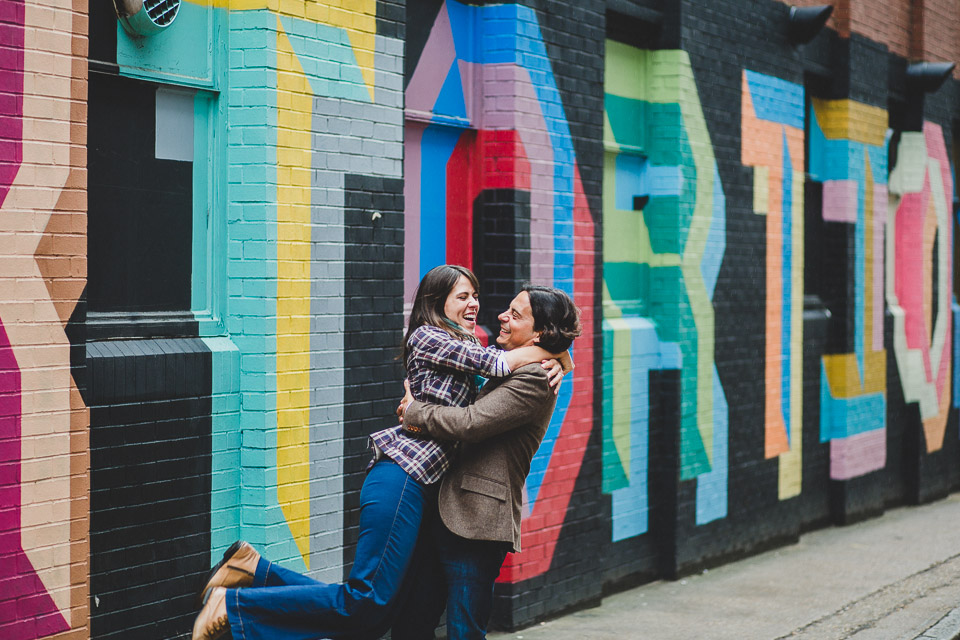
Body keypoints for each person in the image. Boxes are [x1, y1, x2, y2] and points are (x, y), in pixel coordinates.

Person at [190, 266, 571, 640]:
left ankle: (255, 571)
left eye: (482, 299)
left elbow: (480, 402)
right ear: (437, 303)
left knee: (376, 612)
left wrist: (560, 356)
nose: (490, 311)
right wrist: (552, 351)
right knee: (368, 600)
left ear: (539, 331)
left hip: (439, 497)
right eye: (464, 297)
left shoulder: (492, 356)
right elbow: (492, 375)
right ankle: (236, 606)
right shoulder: (431, 337)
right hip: (404, 473)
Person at [392, 285, 582, 640]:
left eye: (515, 314)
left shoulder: (534, 377)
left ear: (539, 333)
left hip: (477, 521)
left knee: (464, 630)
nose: (501, 317)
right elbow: (482, 359)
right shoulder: (524, 365)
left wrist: (413, 412)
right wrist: (563, 357)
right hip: (448, 511)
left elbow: (471, 423)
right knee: (412, 623)